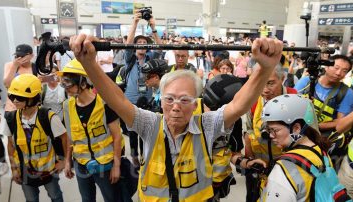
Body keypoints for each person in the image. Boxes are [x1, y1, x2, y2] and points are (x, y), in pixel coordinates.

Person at [69, 34, 283, 201]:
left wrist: (265, 67)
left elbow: (237, 105)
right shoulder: (150, 124)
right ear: (161, 100)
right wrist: (89, 64)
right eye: (169, 99)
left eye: (184, 100)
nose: (176, 107)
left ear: (196, 102)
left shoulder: (206, 125)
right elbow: (118, 101)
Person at [259, 94, 351, 201]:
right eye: (268, 130)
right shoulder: (321, 151)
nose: (271, 135)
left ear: (296, 128)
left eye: (275, 130)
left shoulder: (284, 167)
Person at [60, 59, 123, 202]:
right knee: (87, 199)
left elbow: (117, 136)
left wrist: (116, 166)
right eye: (64, 84)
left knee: (112, 198)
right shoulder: (67, 106)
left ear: (83, 83)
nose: (66, 89)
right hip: (81, 163)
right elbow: (70, 137)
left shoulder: (105, 103)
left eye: (69, 84)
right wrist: (68, 161)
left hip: (105, 164)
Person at [232, 64, 297, 202]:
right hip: (258, 168)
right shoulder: (252, 100)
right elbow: (248, 132)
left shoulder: (296, 99)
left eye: (270, 83)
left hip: (287, 169)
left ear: (283, 78)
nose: (265, 90)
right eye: (260, 83)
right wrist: (250, 163)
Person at [4, 74, 67, 202]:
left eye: (20, 97)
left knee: (55, 196)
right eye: (12, 97)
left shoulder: (48, 117)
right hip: (25, 172)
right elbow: (10, 145)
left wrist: (64, 161)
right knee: (31, 199)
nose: (15, 101)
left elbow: (65, 138)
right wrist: (14, 169)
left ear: (32, 98)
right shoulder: (11, 119)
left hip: (48, 171)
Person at [294, 54, 353, 168]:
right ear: (326, 66)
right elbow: (290, 103)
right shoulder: (307, 82)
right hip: (297, 134)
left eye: (344, 70)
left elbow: (340, 122)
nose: (338, 73)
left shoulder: (347, 93)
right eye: (336, 68)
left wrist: (314, 125)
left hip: (322, 141)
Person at [122, 9, 162, 167]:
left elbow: (160, 48)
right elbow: (128, 45)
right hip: (130, 100)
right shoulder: (130, 59)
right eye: (138, 44)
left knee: (146, 130)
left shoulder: (151, 58)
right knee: (132, 131)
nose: (142, 45)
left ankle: (147, 155)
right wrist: (135, 22)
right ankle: (134, 157)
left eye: (144, 43)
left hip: (148, 100)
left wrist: (154, 28)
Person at [203, 74, 244, 201]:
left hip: (215, 186)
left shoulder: (235, 120)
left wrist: (245, 163)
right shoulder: (190, 116)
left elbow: (232, 151)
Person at [3, 44, 37, 114]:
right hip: (12, 108)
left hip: (29, 108)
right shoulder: (9, 65)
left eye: (23, 56)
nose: (20, 58)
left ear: (31, 56)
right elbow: (7, 84)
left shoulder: (35, 67)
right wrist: (15, 66)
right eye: (18, 56)